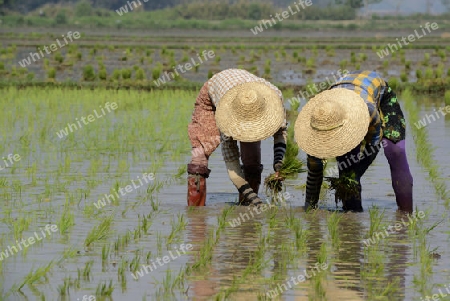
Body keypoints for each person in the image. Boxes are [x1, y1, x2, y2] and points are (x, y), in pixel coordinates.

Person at [294, 70, 413, 212]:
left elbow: (373, 145)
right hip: (339, 98)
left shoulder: (367, 110)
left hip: (377, 93)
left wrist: (357, 173)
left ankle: (406, 214)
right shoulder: (315, 129)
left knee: (395, 151)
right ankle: (352, 216)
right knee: (347, 166)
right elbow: (314, 172)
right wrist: (310, 208)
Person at [187, 68, 287, 206]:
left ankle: (247, 210)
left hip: (247, 94)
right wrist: (255, 199)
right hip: (215, 94)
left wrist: (279, 165)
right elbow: (231, 162)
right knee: (200, 155)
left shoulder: (275, 98)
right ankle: (196, 213)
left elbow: (280, 134)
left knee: (252, 160)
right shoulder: (226, 116)